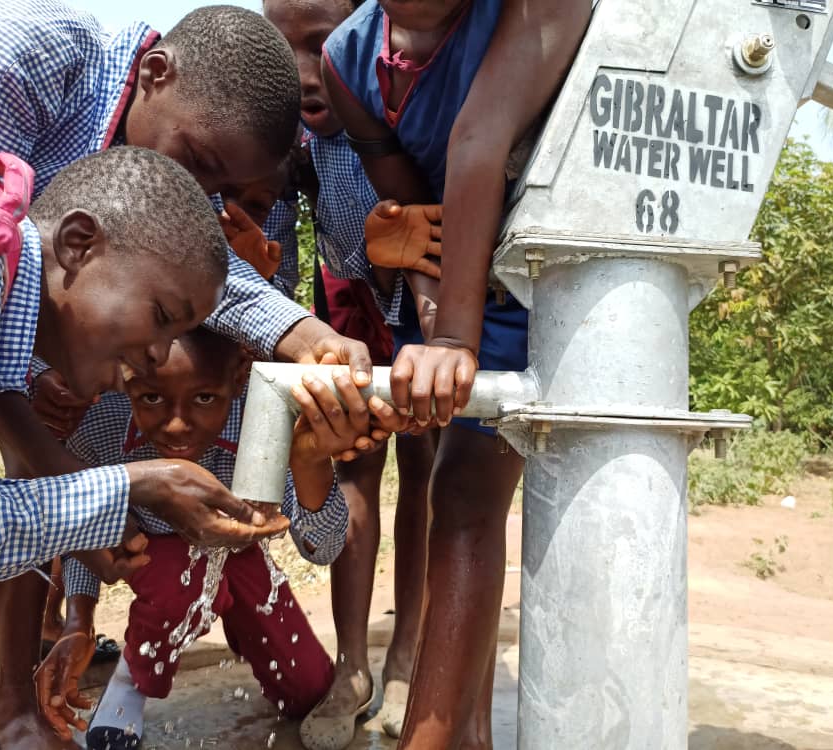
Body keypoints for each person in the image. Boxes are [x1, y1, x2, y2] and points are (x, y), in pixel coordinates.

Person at [0, 5, 374, 746]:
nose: (154, 361)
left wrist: (304, 332)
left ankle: (15, 714)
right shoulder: (11, 68)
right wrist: (118, 492)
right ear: (156, 75)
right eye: (199, 165)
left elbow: (167, 263)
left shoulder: (26, 286)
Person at [323, 1, 590, 747]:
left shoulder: (538, 8)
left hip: (543, 272)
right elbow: (411, 205)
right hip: (454, 278)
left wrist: (455, 338)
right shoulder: (349, 62)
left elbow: (479, 135)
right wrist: (434, 311)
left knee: (466, 491)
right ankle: (465, 728)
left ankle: (432, 738)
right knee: (444, 490)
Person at [34, 327, 404, 749]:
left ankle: (227, 604)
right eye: (151, 398)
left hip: (239, 554)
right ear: (126, 377)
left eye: (204, 399)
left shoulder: (264, 423)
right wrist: (79, 618)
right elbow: (83, 526)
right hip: (159, 561)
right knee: (179, 581)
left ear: (240, 376)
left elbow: (324, 547)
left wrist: (307, 462)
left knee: (309, 691)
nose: (176, 423)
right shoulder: (102, 426)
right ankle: (129, 684)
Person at [0, 146, 291, 584]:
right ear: (77, 245)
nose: (158, 355)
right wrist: (130, 487)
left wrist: (88, 514)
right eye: (160, 316)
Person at [263, 1, 442, 745]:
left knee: (428, 472)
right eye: (286, 51)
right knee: (351, 471)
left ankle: (406, 660)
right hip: (346, 307)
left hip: (425, 303)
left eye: (323, 46)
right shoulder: (293, 138)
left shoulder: (404, 107)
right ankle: (353, 665)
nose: (308, 74)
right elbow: (276, 243)